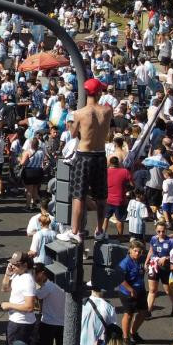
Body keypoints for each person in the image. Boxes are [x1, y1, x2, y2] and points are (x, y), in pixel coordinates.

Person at [62, 77, 112, 242]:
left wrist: (70, 124)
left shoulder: (79, 113)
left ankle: (75, 231)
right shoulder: (107, 111)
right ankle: (99, 229)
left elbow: (74, 134)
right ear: (98, 92)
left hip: (84, 155)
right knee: (101, 196)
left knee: (79, 195)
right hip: (100, 154)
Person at [118, 239, 149, 345]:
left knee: (143, 312)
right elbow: (120, 279)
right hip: (127, 293)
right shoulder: (125, 263)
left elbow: (143, 269)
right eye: (135, 251)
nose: (138, 253)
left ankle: (133, 332)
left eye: (140, 252)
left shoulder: (140, 260)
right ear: (130, 250)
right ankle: (125, 337)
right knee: (129, 315)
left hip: (140, 290)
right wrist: (130, 290)